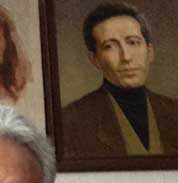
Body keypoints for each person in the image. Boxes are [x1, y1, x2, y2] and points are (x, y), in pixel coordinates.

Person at [62, 2, 178, 157]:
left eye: (133, 42)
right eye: (110, 46)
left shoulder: (174, 111)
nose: (126, 57)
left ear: (149, 52)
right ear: (95, 59)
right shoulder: (72, 121)